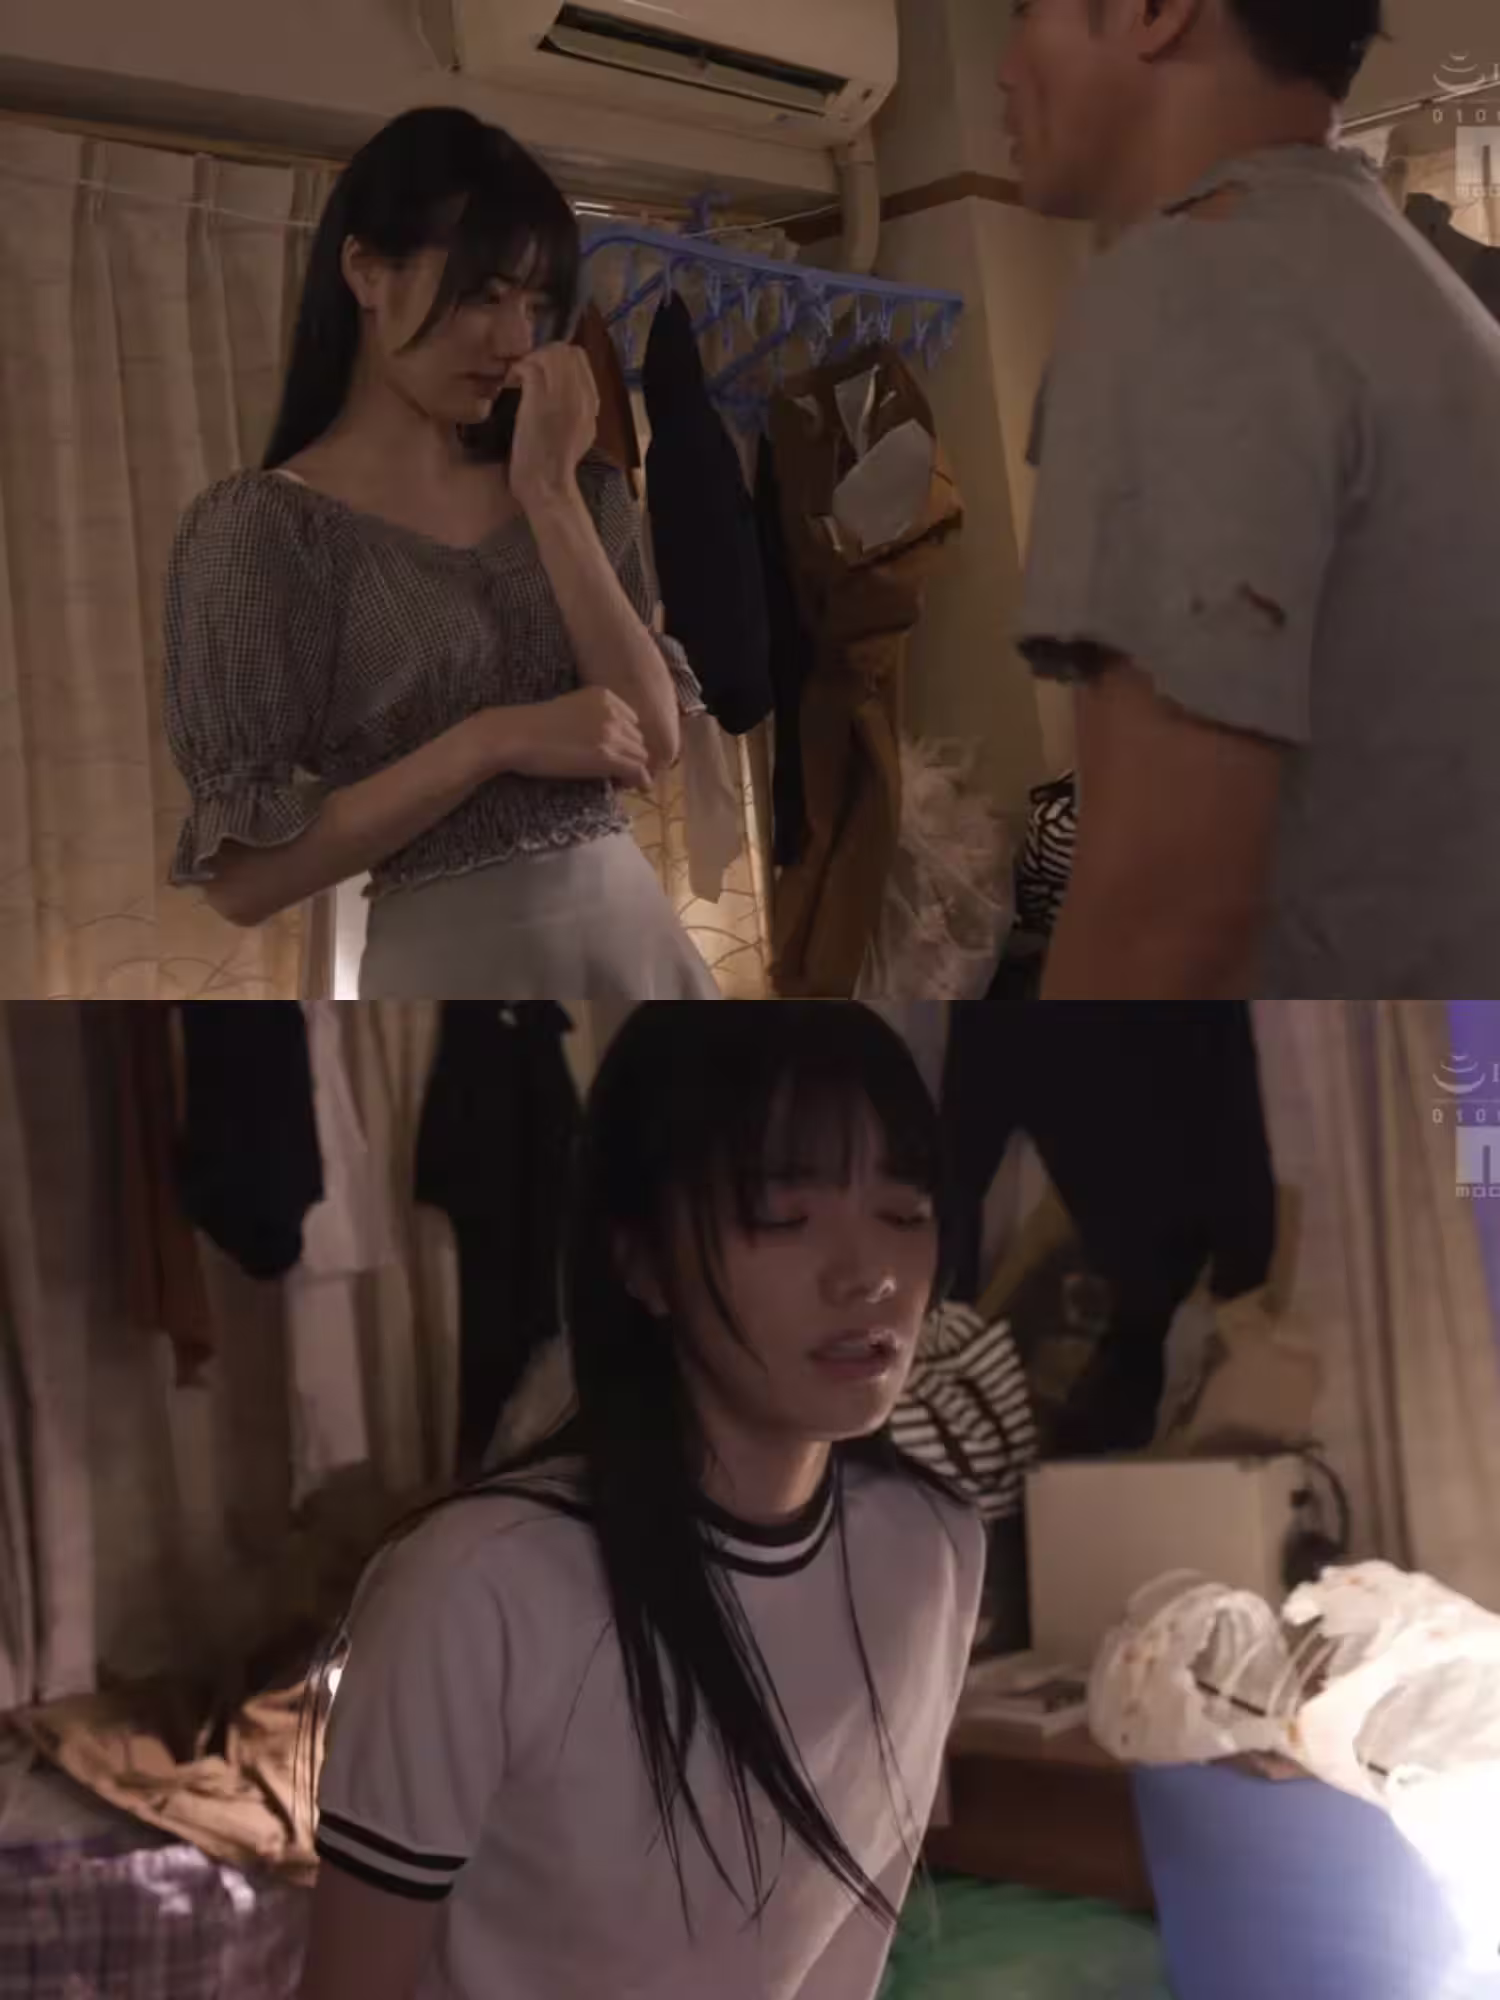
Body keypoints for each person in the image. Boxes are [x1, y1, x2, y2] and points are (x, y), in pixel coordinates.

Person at [296, 1003, 984, 2000]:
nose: (868, 1273)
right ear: (643, 1260)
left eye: (905, 1211)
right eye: (782, 1215)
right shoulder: (479, 1586)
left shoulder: (933, 1548)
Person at [1001, 0, 1500, 1000]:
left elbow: (1165, 922)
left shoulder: (1187, 285)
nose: (1007, 68)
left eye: (1024, 9)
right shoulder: (1426, 295)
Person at [163, 107, 717, 1000]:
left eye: (535, 305)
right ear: (365, 271)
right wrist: (493, 740)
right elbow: (243, 883)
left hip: (641, 948)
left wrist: (549, 493)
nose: (515, 341)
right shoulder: (264, 530)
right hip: (454, 969)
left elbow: (652, 740)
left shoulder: (573, 487)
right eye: (482, 296)